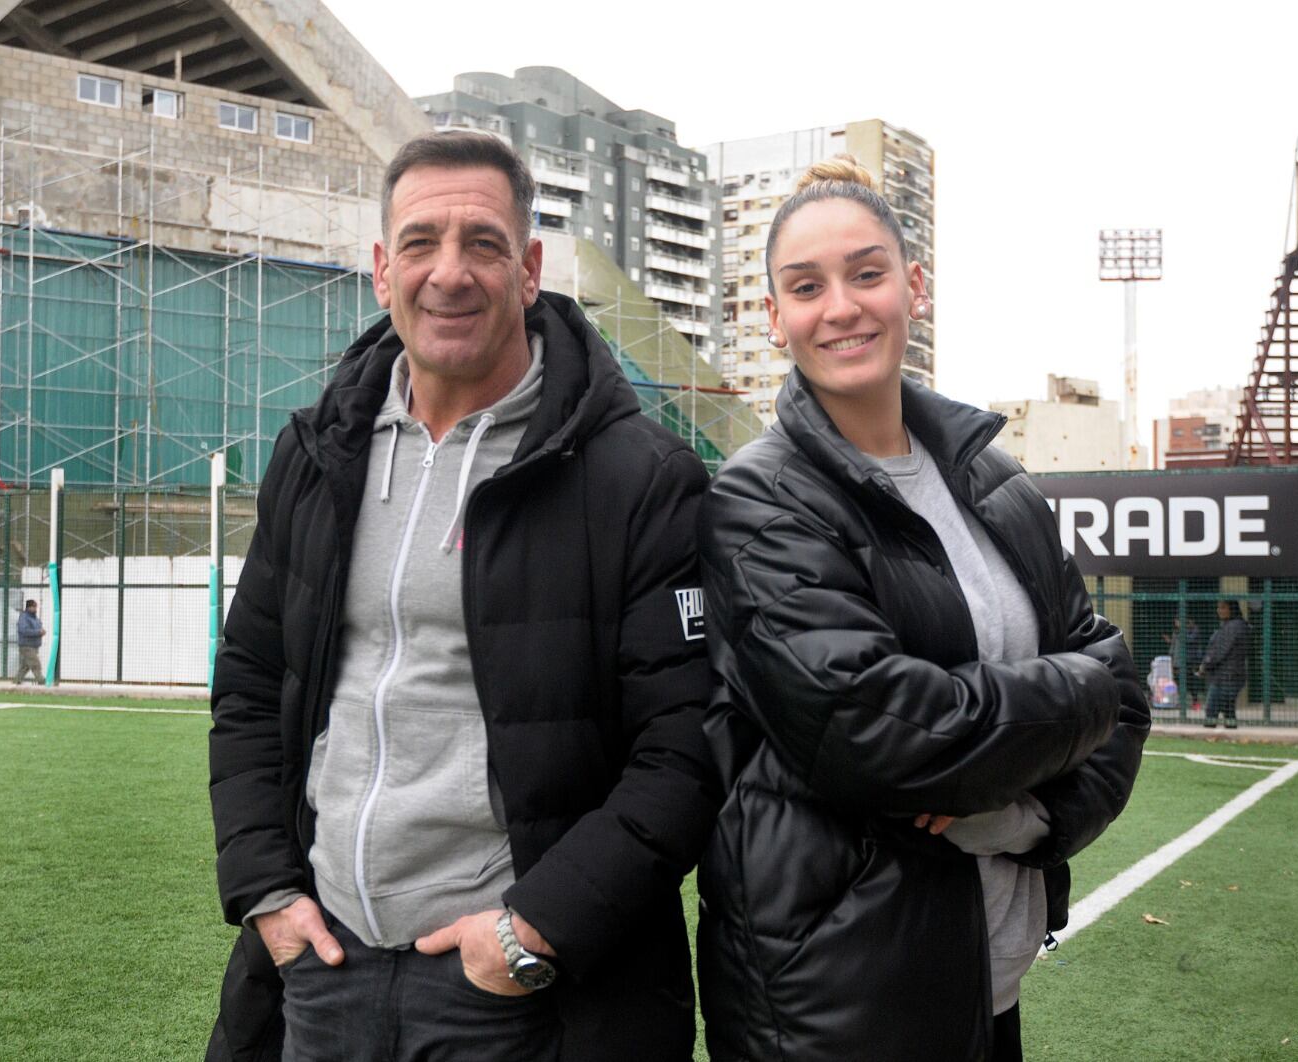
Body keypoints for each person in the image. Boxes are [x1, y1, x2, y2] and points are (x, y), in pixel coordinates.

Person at [207, 131, 718, 1062]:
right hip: (322, 967)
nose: (449, 272)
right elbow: (248, 681)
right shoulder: (317, 453)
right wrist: (269, 894)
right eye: (420, 242)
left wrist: (530, 935)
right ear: (379, 269)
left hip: (519, 989)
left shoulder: (641, 477)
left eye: (482, 243)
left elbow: (686, 748)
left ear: (528, 269)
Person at [695, 157, 1151, 1062]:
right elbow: (877, 730)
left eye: (867, 273)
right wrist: (1085, 691)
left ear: (915, 286)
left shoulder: (996, 479)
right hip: (842, 1001)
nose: (842, 306)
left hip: (990, 974)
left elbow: (1124, 694)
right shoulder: (759, 500)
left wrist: (1030, 819)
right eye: (806, 286)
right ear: (774, 314)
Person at [1198, 599, 1251, 729]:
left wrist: (1205, 665)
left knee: (1212, 710)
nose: (1219, 611)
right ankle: (1230, 735)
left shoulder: (1234, 626)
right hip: (1228, 675)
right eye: (1219, 608)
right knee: (1228, 710)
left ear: (1231, 609)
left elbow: (1219, 651)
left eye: (1223, 608)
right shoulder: (1233, 625)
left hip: (1227, 677)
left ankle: (1210, 738)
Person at [16, 600, 45, 684]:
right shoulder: (24, 617)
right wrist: (38, 632)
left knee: (25, 667)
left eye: (36, 607)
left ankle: (16, 682)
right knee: (35, 664)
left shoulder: (35, 618)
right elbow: (23, 631)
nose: (35, 609)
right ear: (29, 607)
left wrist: (41, 631)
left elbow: (38, 627)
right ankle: (41, 681)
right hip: (26, 646)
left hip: (34, 646)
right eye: (34, 607)